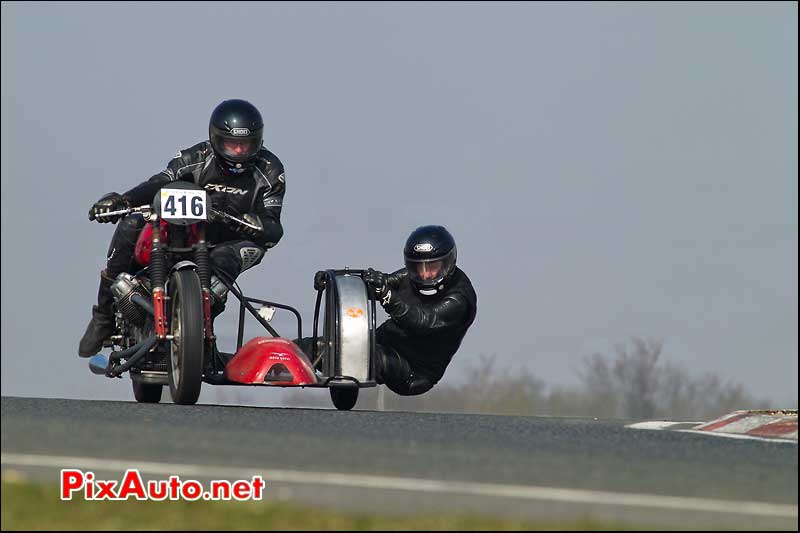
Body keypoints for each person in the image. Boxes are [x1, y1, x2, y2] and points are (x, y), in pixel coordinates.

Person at [78, 99, 286, 357]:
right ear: (215, 139)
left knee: (240, 253)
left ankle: (201, 330)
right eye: (232, 145)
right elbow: (160, 182)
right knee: (132, 223)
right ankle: (104, 315)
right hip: (183, 233)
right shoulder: (194, 158)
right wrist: (124, 200)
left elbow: (273, 226)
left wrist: (252, 222)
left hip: (229, 241)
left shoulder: (270, 169)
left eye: (246, 145)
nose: (239, 152)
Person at [362, 225, 477, 395]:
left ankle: (351, 373)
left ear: (448, 263)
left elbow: (422, 321)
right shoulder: (409, 277)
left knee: (366, 355)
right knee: (333, 344)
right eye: (418, 268)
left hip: (414, 371)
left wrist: (388, 297)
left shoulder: (459, 299)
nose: (425, 275)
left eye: (432, 267)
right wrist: (339, 282)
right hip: (385, 341)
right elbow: (383, 282)